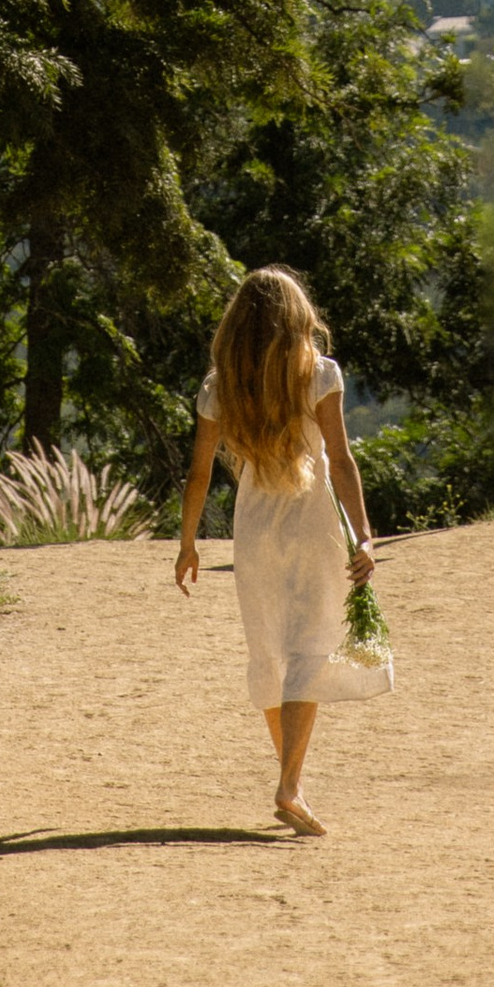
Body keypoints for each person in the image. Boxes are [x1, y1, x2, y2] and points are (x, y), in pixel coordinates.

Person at [174, 264, 389, 836]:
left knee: (271, 647)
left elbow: (199, 475)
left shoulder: (220, 387)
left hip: (255, 527)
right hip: (313, 520)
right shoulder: (318, 374)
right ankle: (290, 785)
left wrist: (189, 542)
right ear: (299, 320)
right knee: (308, 649)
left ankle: (291, 779)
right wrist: (364, 534)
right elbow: (341, 461)